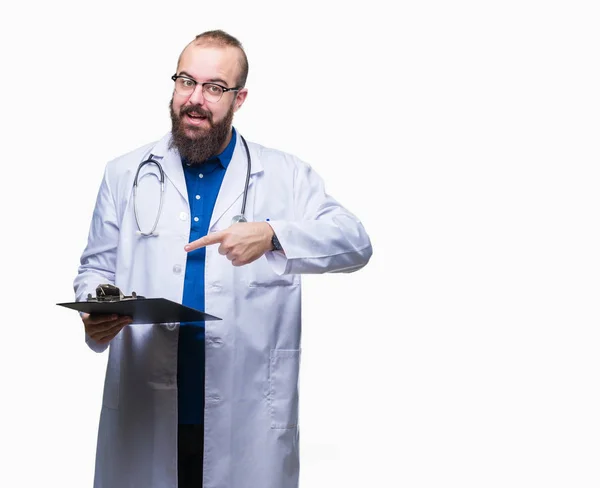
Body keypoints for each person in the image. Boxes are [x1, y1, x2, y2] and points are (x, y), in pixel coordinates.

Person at [74, 29, 372, 488]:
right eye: (185, 82)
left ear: (240, 98)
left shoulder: (286, 175)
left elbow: (355, 243)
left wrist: (274, 235)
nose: (195, 98)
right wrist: (97, 309)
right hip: (145, 412)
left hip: (245, 418)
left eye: (215, 88)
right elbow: (95, 266)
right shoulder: (124, 173)